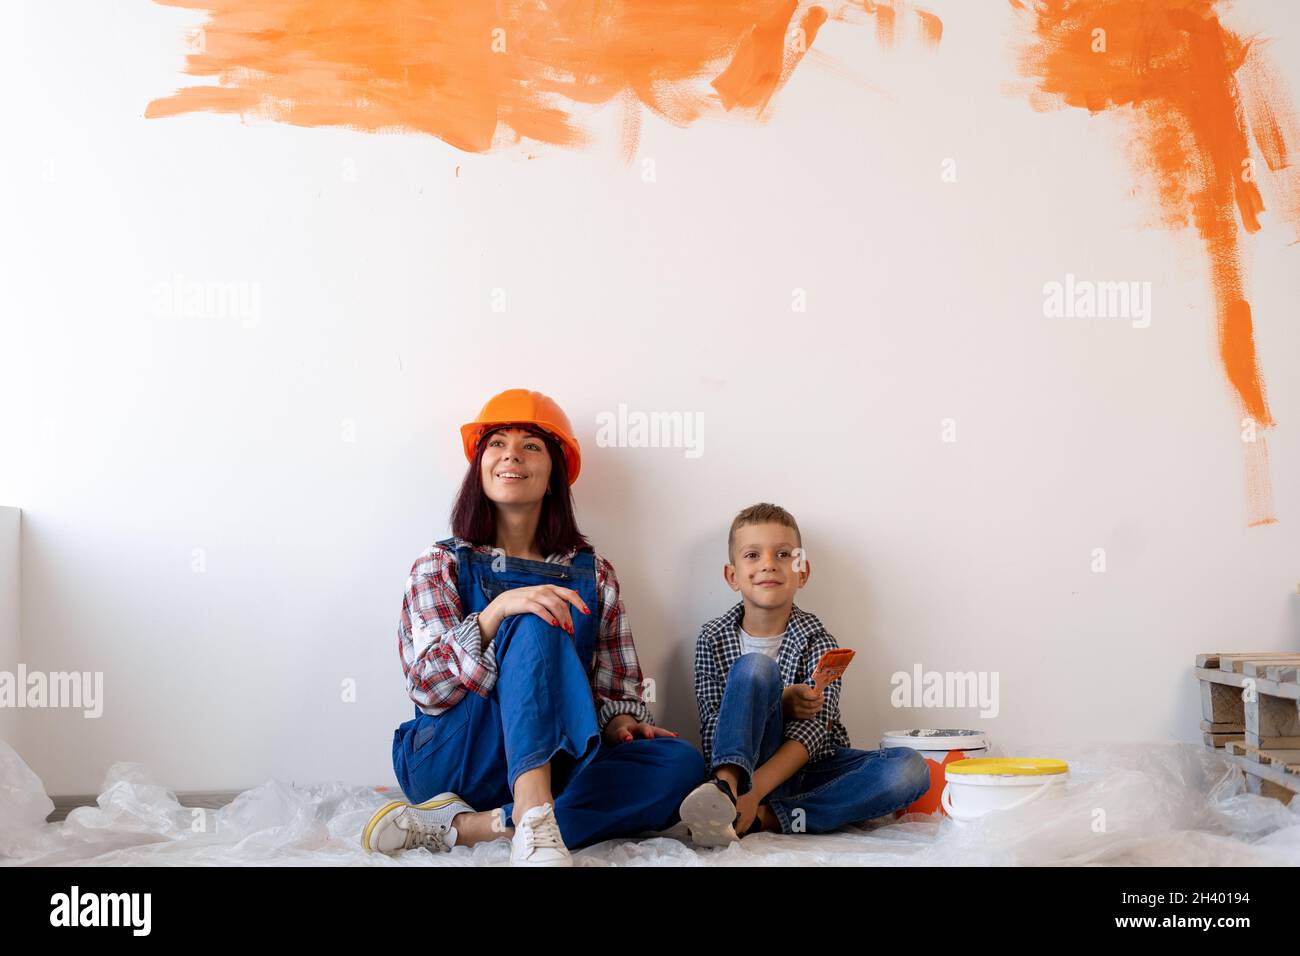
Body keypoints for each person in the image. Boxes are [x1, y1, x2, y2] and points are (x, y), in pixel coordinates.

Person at [363, 388, 704, 865]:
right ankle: (532, 813)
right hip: (457, 757)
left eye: (531, 446)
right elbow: (427, 690)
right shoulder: (439, 563)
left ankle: (487, 825)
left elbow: (614, 692)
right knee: (535, 618)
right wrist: (495, 613)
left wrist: (623, 724)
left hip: (557, 762)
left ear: (552, 475)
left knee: (681, 764)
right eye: (497, 443)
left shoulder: (595, 575)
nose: (511, 456)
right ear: (480, 464)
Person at [678, 502, 930, 845]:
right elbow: (713, 730)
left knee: (908, 769)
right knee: (755, 668)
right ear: (732, 576)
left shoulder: (820, 641)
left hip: (809, 769)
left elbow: (811, 735)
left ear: (803, 572)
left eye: (783, 554)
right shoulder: (712, 638)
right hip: (741, 772)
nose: (768, 564)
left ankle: (763, 817)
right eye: (752, 555)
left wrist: (757, 797)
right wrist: (778, 703)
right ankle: (724, 791)